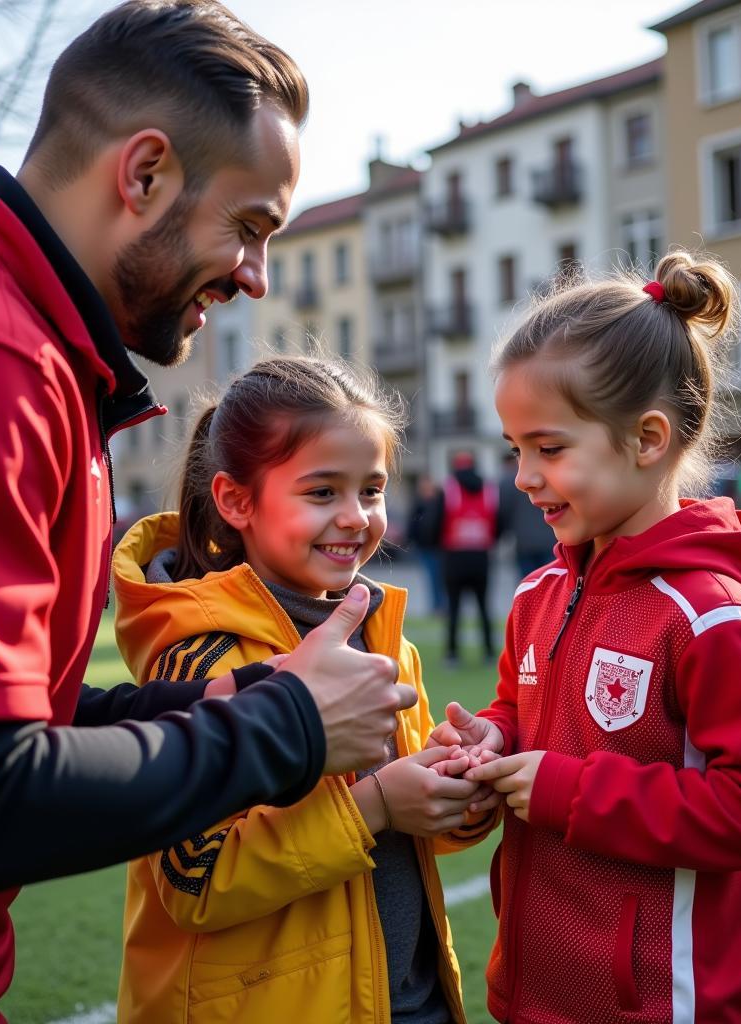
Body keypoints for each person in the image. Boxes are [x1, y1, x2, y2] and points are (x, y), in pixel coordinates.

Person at [0, 5, 415, 1021]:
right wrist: (287, 724)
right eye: (249, 227)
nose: (256, 276)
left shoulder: (7, 339)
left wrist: (243, 693)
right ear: (144, 172)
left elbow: (14, 718)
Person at [429, 252, 741, 1023]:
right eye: (515, 450)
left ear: (647, 439)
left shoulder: (711, 616)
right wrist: (494, 738)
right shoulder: (538, 592)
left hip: (655, 1007)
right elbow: (525, 709)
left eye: (548, 449)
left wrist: (569, 791)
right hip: (530, 994)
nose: (522, 477)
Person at [114, 357, 492, 1023]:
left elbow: (418, 831)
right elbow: (193, 882)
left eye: (371, 491)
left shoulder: (382, 638)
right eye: (322, 493)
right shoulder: (206, 658)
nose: (355, 517)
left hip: (412, 1002)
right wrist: (374, 805)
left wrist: (457, 785)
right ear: (237, 501)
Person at [439, 451, 498, 665]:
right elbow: (498, 522)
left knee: (453, 608)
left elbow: (436, 521)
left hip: (455, 556)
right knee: (484, 607)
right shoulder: (489, 489)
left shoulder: (448, 489)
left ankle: (452, 654)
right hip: (481, 556)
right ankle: (489, 653)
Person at [497, 449, 557, 578]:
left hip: (523, 542)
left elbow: (503, 512)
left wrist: (503, 533)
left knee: (529, 582)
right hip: (550, 538)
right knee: (552, 581)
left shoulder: (507, 482)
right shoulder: (546, 475)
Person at [406, 474, 446, 615]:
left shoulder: (439, 503)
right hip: (425, 547)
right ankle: (437, 605)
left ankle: (441, 605)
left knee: (438, 578)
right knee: (432, 578)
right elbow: (413, 524)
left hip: (438, 547)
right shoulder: (420, 504)